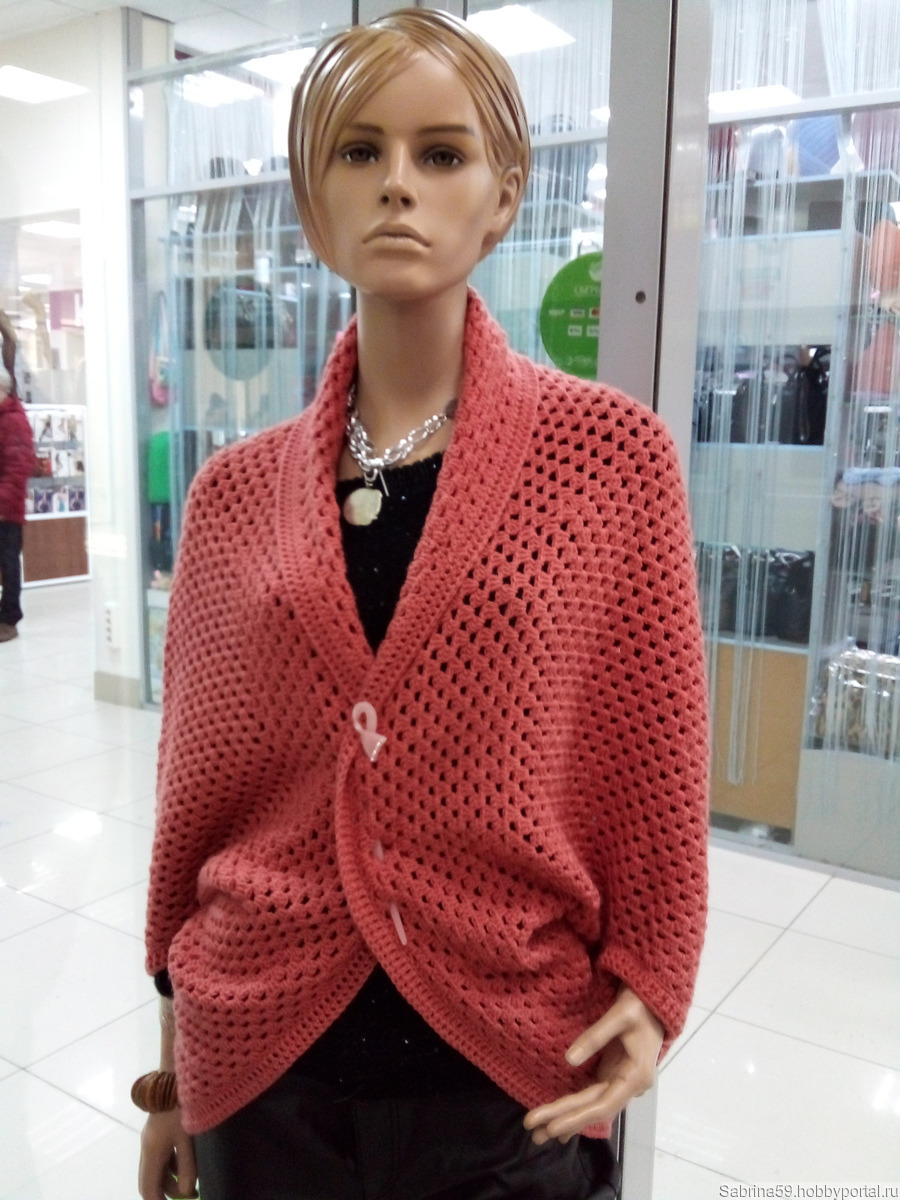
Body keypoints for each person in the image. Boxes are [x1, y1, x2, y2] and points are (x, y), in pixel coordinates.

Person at [138, 10, 709, 1200]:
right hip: (264, 1075)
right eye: (360, 152)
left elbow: (652, 757)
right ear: (313, 203)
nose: (398, 183)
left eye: (442, 153)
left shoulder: (610, 460)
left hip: (506, 1080)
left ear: (504, 197)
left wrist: (655, 979)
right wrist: (174, 1072)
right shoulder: (232, 494)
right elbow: (196, 804)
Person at [0, 362, 33, 643]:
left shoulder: (13, 420)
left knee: (9, 562)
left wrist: (2, 503)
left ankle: (9, 619)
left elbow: (18, 467)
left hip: (6, 510)